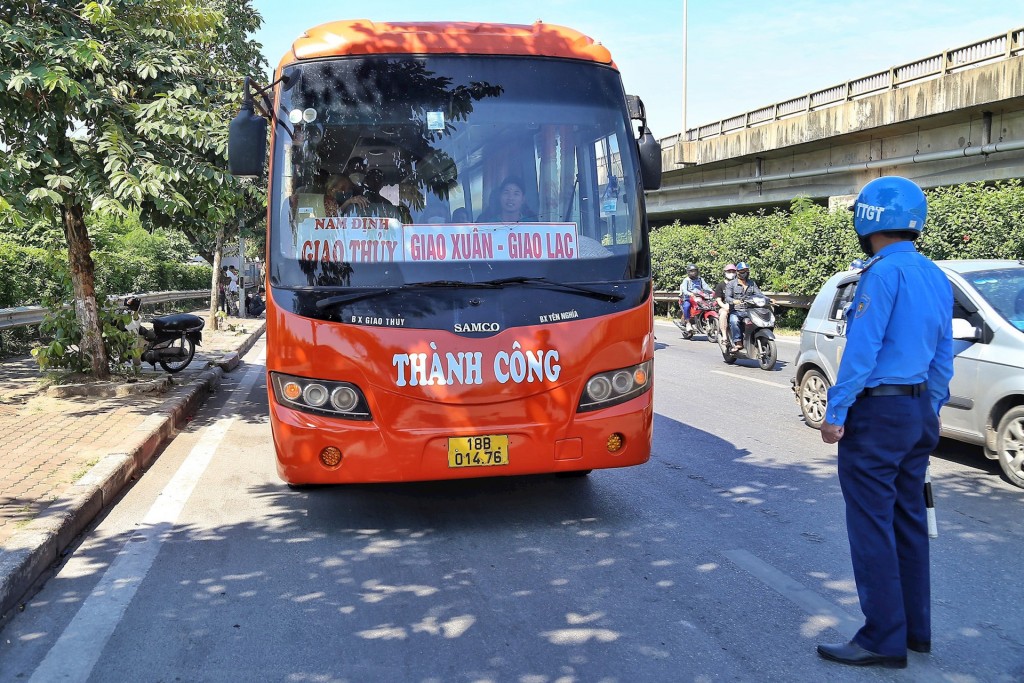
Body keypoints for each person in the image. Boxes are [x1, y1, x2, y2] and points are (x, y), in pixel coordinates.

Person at [816, 176, 954, 670]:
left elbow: (863, 349)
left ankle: (882, 637)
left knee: (872, 523)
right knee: (909, 520)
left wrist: (836, 412)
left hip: (878, 412)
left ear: (867, 219)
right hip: (916, 410)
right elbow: (943, 353)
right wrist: (931, 408)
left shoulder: (880, 274)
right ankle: (916, 631)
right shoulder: (935, 275)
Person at [723, 261, 763, 352]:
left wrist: (769, 299)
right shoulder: (731, 284)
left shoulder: (752, 283)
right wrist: (734, 301)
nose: (744, 273)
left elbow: (759, 294)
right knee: (734, 321)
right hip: (737, 310)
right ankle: (738, 342)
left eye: (745, 271)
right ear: (737, 272)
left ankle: (756, 338)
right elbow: (727, 297)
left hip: (751, 310)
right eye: (741, 271)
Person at [679, 263, 712, 334]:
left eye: (695, 271)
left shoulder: (700, 279)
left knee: (707, 306)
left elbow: (706, 287)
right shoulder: (686, 280)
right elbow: (684, 289)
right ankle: (688, 323)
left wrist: (712, 292)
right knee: (686, 306)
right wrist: (690, 293)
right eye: (691, 271)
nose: (693, 273)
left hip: (699, 297)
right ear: (688, 272)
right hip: (688, 298)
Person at [714, 264, 737, 342]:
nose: (731, 273)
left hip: (738, 307)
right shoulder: (721, 285)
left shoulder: (739, 284)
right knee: (723, 314)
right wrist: (724, 306)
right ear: (725, 272)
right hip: (725, 307)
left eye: (733, 271)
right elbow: (718, 300)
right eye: (729, 271)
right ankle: (724, 336)